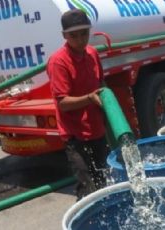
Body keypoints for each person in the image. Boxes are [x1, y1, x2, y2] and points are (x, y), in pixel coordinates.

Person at [46, 9, 109, 200]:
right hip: (76, 135)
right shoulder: (59, 62)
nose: (81, 40)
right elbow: (63, 103)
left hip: (97, 129)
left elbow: (101, 84)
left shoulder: (92, 53)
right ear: (64, 35)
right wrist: (89, 98)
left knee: (104, 179)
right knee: (87, 186)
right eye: (74, 35)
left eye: (84, 34)